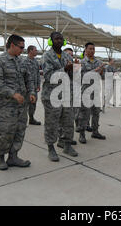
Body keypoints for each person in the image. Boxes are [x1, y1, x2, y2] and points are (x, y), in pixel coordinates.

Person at [0, 34, 35, 171]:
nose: (23, 50)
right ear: (12, 45)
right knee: (5, 131)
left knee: (20, 130)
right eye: (21, 47)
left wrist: (32, 92)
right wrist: (13, 94)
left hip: (22, 105)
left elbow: (29, 79)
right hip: (6, 105)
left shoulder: (22, 62)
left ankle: (13, 156)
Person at [42, 32, 78, 161]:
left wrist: (75, 68)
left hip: (66, 95)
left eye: (61, 39)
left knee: (68, 121)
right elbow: (48, 76)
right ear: (51, 41)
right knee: (52, 123)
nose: (59, 41)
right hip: (52, 95)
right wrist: (65, 68)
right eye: (56, 39)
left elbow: (72, 77)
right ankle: (51, 148)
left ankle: (67, 145)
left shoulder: (66, 56)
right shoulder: (47, 56)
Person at [77, 42, 106, 144]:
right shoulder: (81, 62)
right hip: (86, 92)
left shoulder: (98, 62)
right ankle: (82, 134)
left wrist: (102, 72)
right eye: (90, 49)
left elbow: (102, 77)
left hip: (96, 92)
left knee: (96, 113)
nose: (92, 51)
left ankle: (95, 131)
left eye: (93, 49)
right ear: (85, 50)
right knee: (84, 114)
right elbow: (80, 77)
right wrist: (96, 70)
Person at [24, 45, 41, 125]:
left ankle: (31, 118)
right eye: (35, 50)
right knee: (24, 104)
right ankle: (22, 121)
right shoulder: (24, 61)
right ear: (30, 51)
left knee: (33, 104)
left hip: (34, 87)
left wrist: (38, 85)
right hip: (26, 87)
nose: (36, 51)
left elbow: (38, 74)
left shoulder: (35, 62)